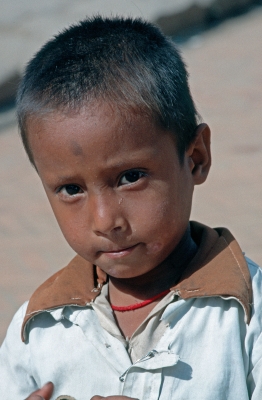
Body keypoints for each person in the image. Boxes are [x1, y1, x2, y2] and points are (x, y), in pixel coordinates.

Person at [0, 15, 261, 400]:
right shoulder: (36, 330)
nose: (105, 220)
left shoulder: (247, 316)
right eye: (71, 189)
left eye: (130, 177)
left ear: (195, 158)